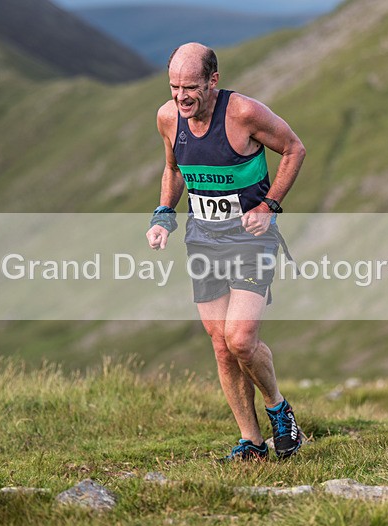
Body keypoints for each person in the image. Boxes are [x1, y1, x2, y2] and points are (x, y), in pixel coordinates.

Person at [146, 42, 306, 461]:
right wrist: (164, 214)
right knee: (220, 344)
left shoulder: (243, 114)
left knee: (240, 338)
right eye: (174, 86)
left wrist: (269, 206)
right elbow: (174, 169)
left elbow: (294, 149)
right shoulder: (168, 117)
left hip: (251, 240)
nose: (181, 97)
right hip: (203, 239)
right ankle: (251, 443)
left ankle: (278, 407)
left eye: (191, 87)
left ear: (213, 81)